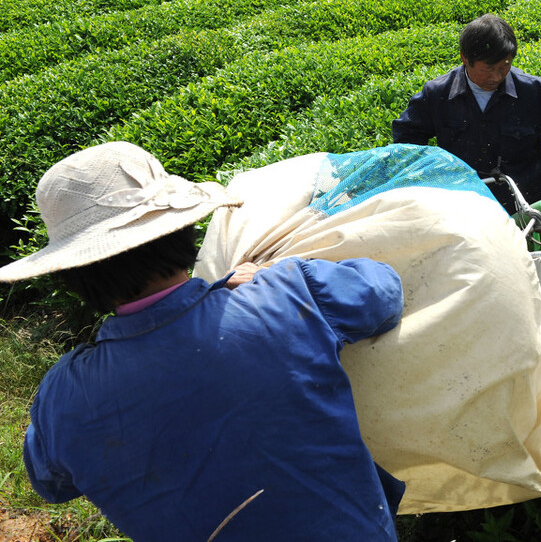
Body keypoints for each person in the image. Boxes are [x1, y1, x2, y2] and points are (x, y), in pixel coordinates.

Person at [2, 142, 406, 541]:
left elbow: (49, 483)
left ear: (73, 276)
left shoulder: (63, 396)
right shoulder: (287, 296)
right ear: (182, 232)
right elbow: (383, 293)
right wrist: (270, 276)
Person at [391, 13, 541, 212]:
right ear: (465, 59)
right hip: (466, 206)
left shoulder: (533, 92)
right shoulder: (437, 94)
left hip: (525, 207)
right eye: (488, 69)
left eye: (505, 66)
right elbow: (406, 140)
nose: (496, 76)